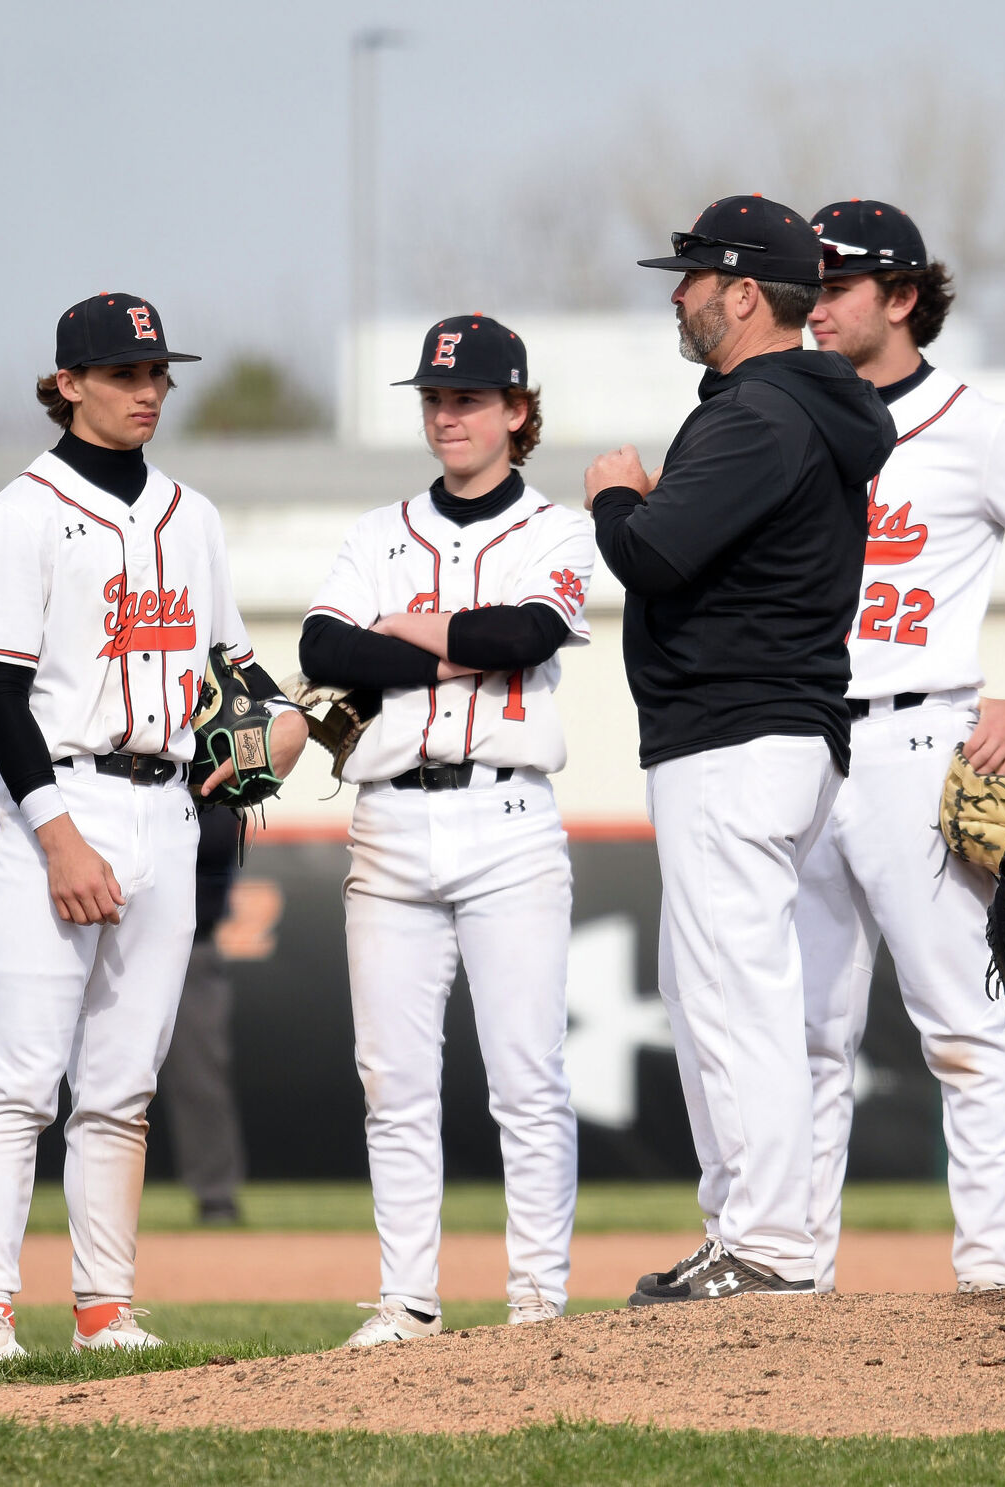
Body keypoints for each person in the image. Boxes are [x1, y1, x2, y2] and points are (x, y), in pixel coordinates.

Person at [0, 293, 308, 1362]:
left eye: (157, 373)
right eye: (122, 374)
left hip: (168, 805)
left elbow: (231, 668)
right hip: (58, 795)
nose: (146, 390)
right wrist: (57, 835)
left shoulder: (190, 516)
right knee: (19, 1072)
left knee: (122, 1083)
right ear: (67, 383)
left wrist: (283, 723)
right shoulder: (19, 513)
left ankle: (103, 1303)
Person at [589, 197, 894, 1304]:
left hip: (736, 734)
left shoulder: (759, 413)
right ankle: (750, 1233)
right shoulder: (790, 406)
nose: (676, 292)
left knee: (734, 994)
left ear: (746, 292)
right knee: (712, 987)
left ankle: (764, 1244)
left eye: (692, 276)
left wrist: (617, 492)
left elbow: (653, 552)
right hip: (760, 733)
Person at [299, 315, 588, 1346]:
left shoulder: (554, 528)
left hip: (507, 815)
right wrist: (458, 648)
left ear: (517, 410)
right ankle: (406, 1300)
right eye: (433, 397)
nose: (446, 413)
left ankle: (536, 1301)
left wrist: (402, 637)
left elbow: (528, 633)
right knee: (392, 1078)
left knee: (525, 1074)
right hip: (388, 821)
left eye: (467, 397)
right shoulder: (379, 531)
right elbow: (322, 643)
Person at [794, 201, 1005, 1294]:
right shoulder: (791, 417)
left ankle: (984, 1281)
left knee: (958, 1021)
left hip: (917, 731)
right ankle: (791, 1271)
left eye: (837, 285)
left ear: (901, 297)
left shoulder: (977, 428)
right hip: (800, 740)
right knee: (804, 1034)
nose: (815, 305)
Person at [162, 802, 249, 1226]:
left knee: (201, 1075)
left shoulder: (213, 744)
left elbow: (216, 840)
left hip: (192, 944)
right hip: (107, 929)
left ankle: (216, 1198)